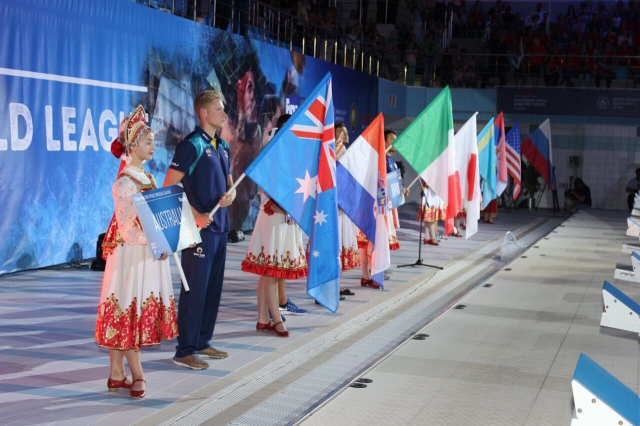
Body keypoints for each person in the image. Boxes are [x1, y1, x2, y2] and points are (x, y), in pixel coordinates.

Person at [95, 105, 178, 399]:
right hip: (130, 256)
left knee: (129, 306)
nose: (153, 145)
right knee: (128, 307)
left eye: (153, 141)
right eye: (147, 142)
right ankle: (138, 375)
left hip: (144, 255)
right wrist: (158, 241)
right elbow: (129, 231)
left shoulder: (147, 178)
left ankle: (117, 374)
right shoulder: (124, 183)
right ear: (132, 145)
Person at [164, 90, 236, 370]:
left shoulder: (223, 145)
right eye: (219, 109)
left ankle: (203, 341)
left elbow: (227, 183)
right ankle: (185, 349)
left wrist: (229, 195)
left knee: (213, 289)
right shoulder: (191, 145)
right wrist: (195, 215)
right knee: (194, 290)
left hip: (220, 227)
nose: (224, 114)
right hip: (198, 232)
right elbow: (169, 186)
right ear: (203, 113)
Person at [240, 114, 308, 337]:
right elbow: (267, 190)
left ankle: (262, 319)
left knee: (271, 272)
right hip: (274, 218)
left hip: (286, 218)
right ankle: (276, 319)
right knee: (271, 271)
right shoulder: (273, 155)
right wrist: (282, 207)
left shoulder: (292, 157)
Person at [417, 179, 447, 245]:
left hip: (436, 188)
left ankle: (427, 236)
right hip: (428, 187)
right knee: (429, 211)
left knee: (432, 211)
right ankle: (432, 236)